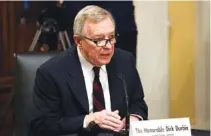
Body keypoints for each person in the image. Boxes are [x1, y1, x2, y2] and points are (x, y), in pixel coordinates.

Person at [30, 5, 148, 136]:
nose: (108, 46)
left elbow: (138, 104)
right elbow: (43, 126)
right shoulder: (51, 72)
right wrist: (88, 120)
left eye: (111, 37)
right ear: (78, 41)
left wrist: (132, 119)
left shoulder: (124, 61)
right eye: (99, 40)